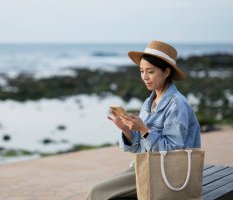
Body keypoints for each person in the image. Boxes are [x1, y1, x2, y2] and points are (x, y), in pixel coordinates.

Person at [86, 40, 201, 200]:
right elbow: (138, 149)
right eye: (141, 71)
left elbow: (173, 155)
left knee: (97, 193)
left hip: (166, 177)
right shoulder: (149, 101)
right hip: (146, 169)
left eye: (150, 72)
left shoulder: (177, 105)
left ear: (166, 72)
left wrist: (144, 130)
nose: (144, 77)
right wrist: (127, 130)